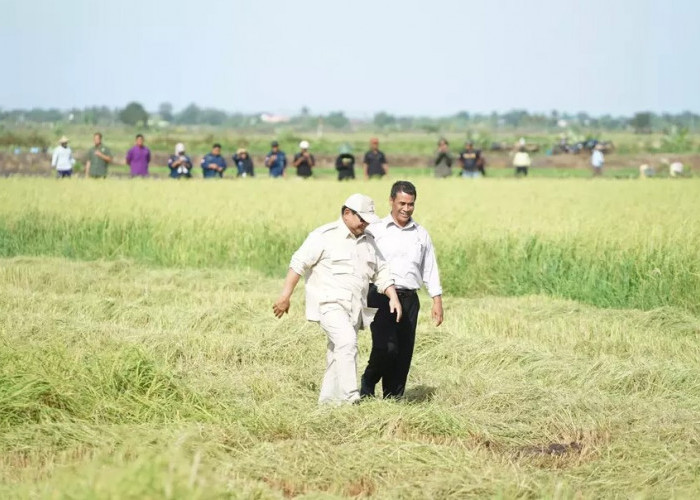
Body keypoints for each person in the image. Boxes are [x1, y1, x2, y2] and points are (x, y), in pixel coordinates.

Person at [273, 194, 402, 405]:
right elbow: (298, 263)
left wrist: (393, 297)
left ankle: (328, 404)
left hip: (355, 309)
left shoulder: (369, 241)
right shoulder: (323, 236)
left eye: (368, 219)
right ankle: (351, 398)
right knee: (347, 343)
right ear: (347, 213)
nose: (365, 223)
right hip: (329, 305)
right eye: (362, 218)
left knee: (337, 353)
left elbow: (382, 272)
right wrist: (285, 296)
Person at [360, 181, 443, 399]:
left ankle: (393, 398)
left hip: (409, 299)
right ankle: (368, 383)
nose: (406, 209)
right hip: (380, 296)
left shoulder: (421, 234)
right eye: (402, 203)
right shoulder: (375, 230)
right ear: (391, 201)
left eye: (411, 204)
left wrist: (436, 300)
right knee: (386, 348)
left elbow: (430, 267)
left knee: (403, 352)